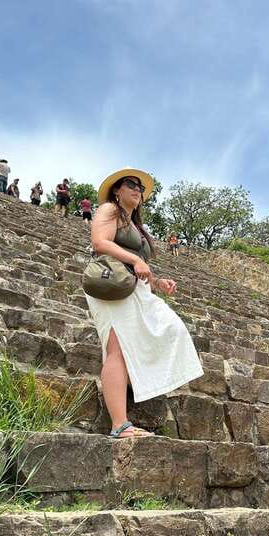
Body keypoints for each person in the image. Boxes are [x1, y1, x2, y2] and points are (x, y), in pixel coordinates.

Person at [86, 168, 203, 438]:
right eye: (131, 184)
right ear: (117, 190)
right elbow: (99, 242)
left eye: (140, 187)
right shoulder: (109, 210)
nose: (137, 189)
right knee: (117, 348)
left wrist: (158, 282)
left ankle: (132, 388)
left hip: (135, 287)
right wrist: (136, 259)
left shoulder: (136, 226)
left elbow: (140, 267)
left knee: (172, 327)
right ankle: (119, 425)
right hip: (111, 283)